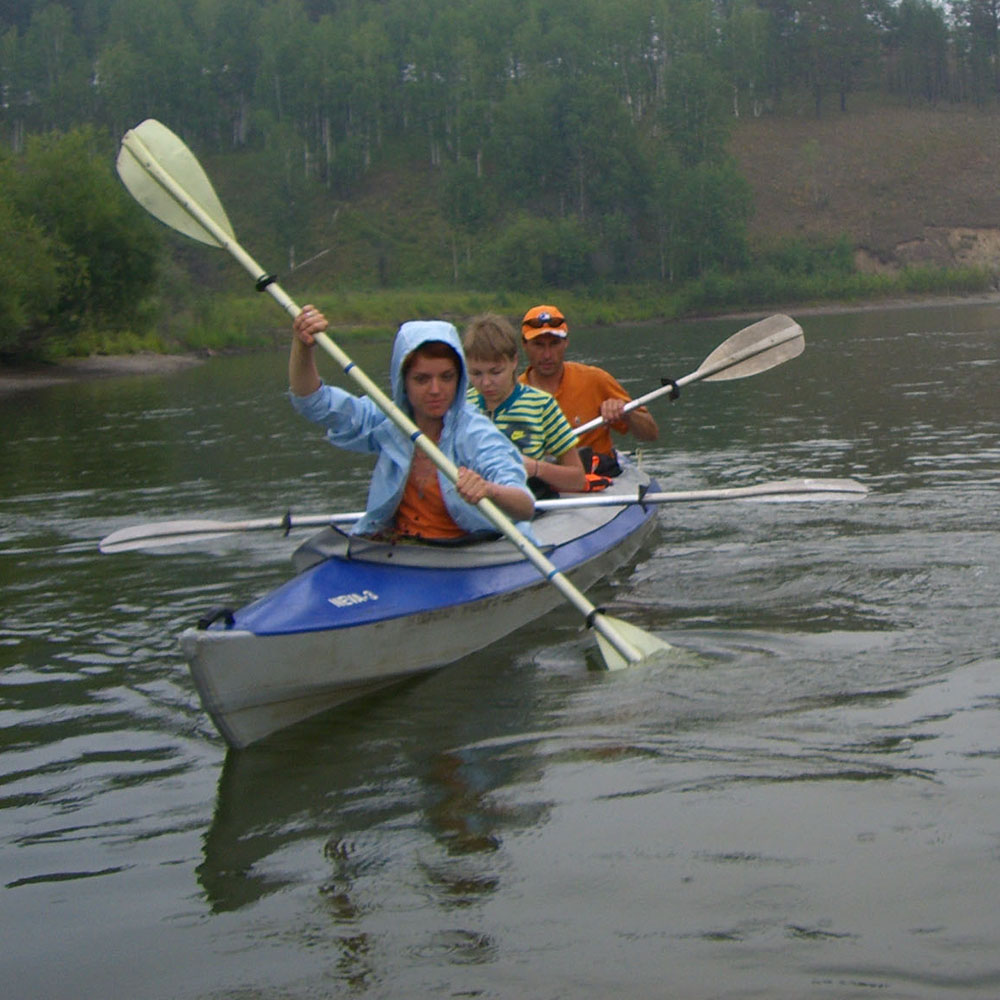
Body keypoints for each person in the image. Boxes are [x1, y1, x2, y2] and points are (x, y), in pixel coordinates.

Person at [290, 305, 534, 541]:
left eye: (447, 377)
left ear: (459, 378)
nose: (436, 390)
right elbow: (314, 403)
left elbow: (524, 507)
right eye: (422, 379)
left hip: (467, 550)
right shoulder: (389, 420)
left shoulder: (476, 433)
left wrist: (489, 490)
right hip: (400, 548)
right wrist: (303, 347)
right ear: (403, 381)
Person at [463, 313, 587, 496]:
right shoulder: (462, 406)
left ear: (513, 361)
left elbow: (577, 479)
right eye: (476, 374)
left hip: (525, 504)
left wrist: (535, 468)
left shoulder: (542, 405)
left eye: (495, 372)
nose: (486, 383)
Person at [519, 304, 658, 464]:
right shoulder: (512, 393)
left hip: (600, 476)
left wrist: (626, 413)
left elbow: (651, 434)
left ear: (566, 343)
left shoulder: (595, 379)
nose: (547, 355)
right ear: (524, 345)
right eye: (539, 345)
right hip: (542, 477)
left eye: (554, 344)